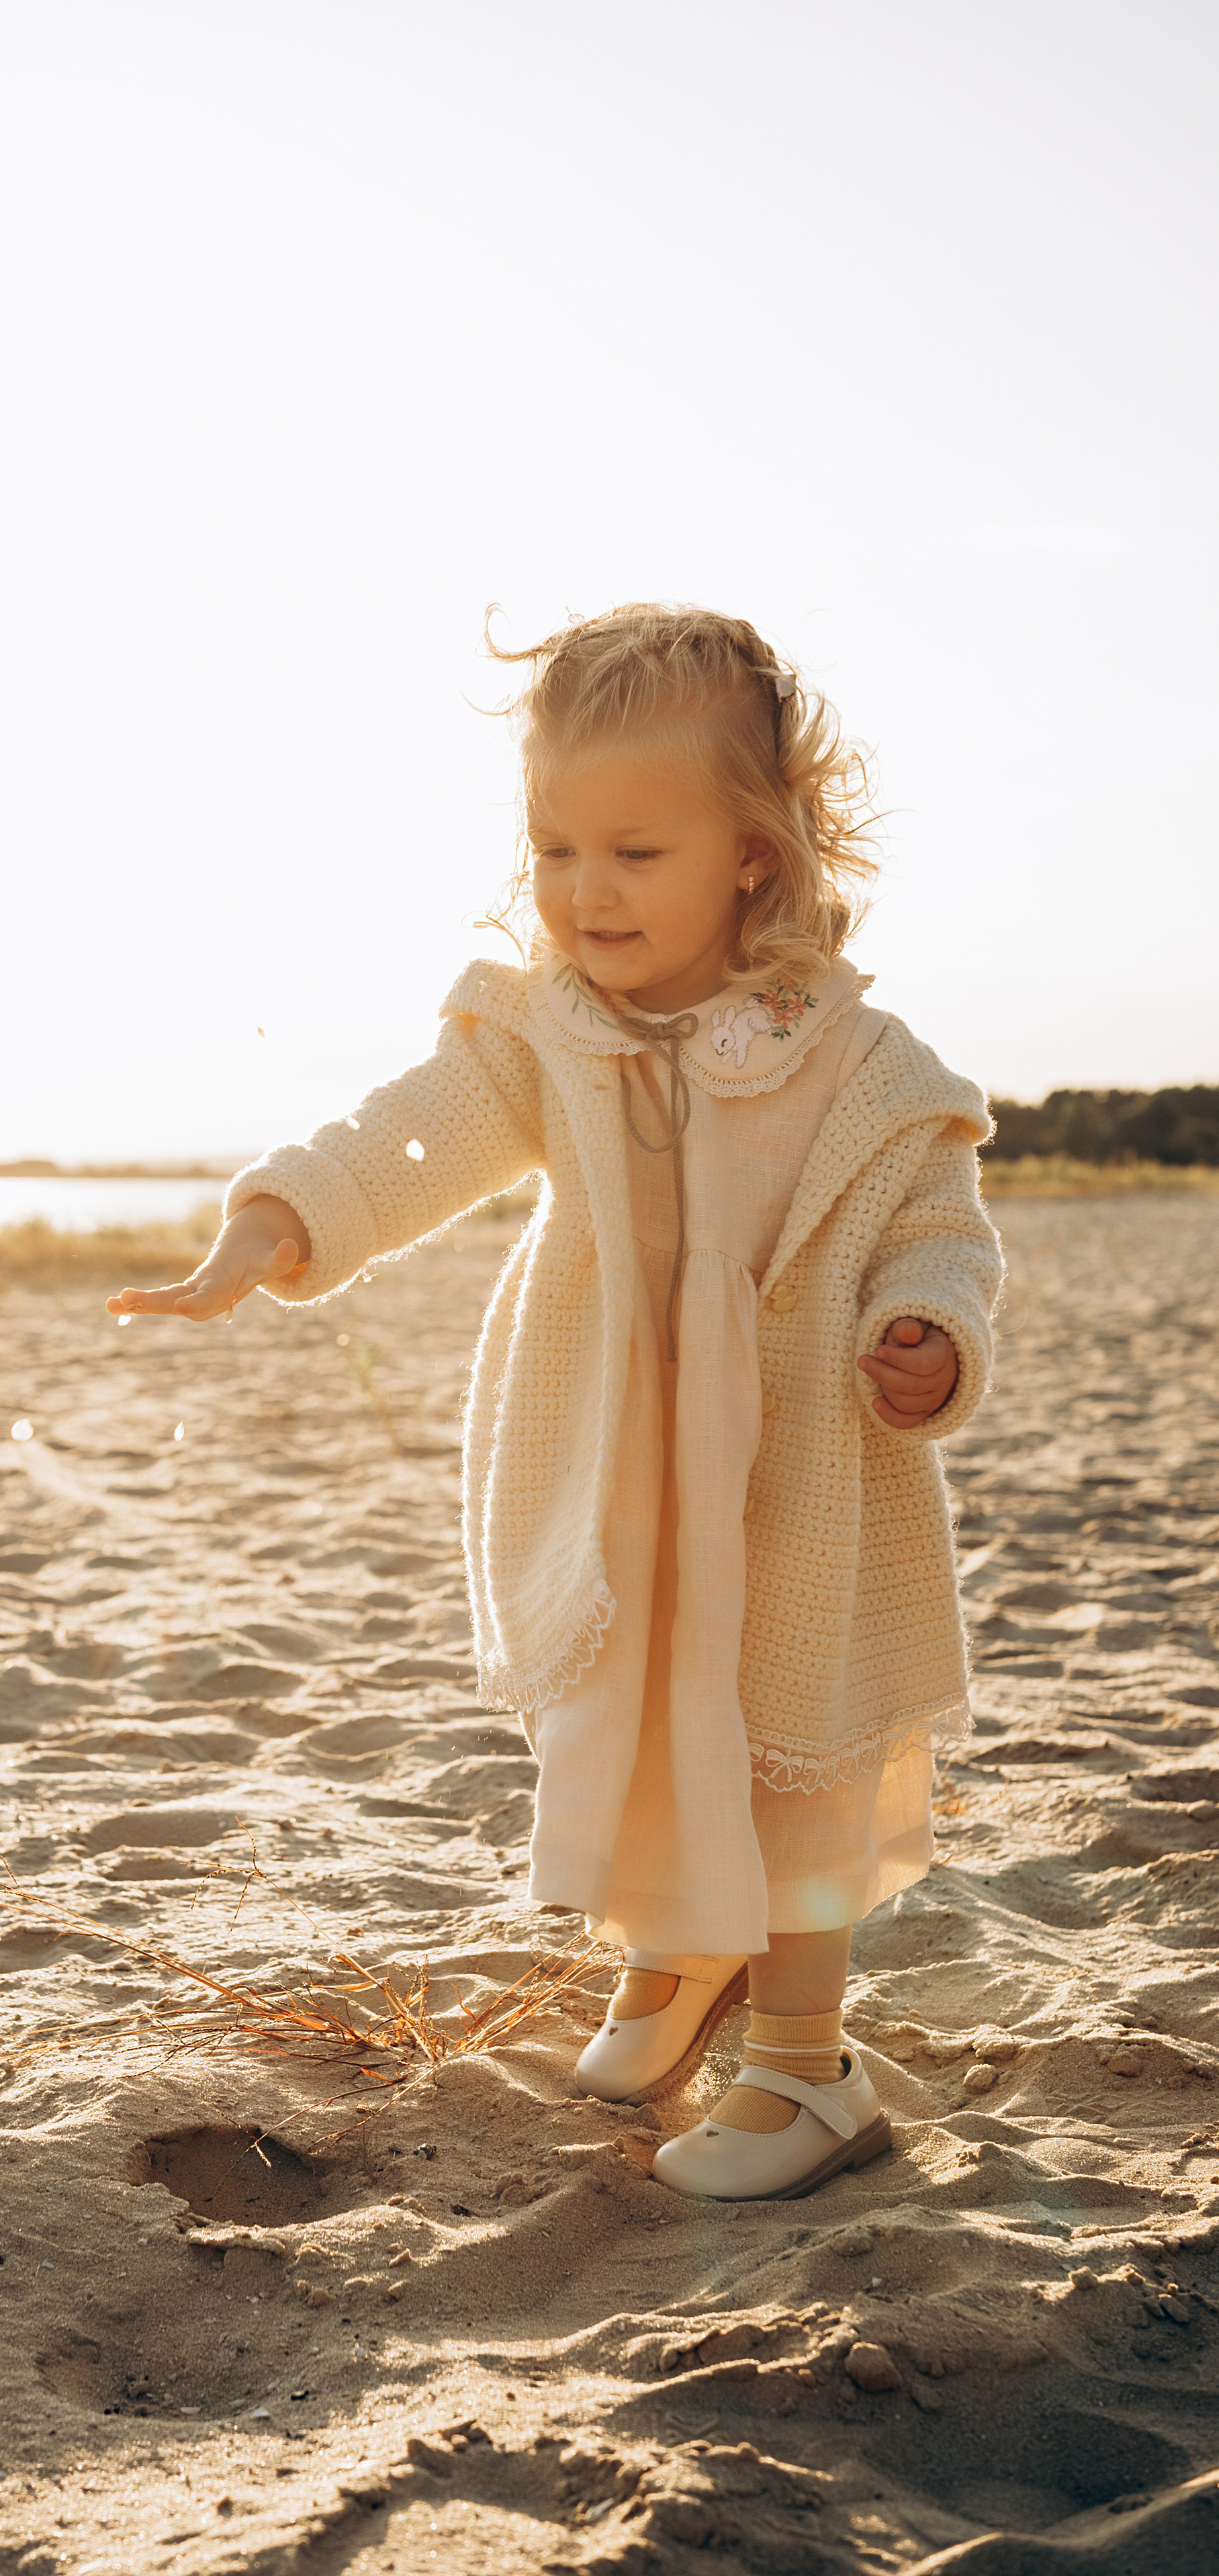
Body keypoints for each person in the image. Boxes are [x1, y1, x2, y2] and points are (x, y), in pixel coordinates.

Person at [109, 603, 1002, 2202]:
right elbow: (412, 1134)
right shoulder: (547, 1031)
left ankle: (807, 2065)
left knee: (789, 1753)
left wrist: (924, 1325)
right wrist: (274, 1224)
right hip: (621, 1471)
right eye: (554, 848)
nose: (584, 892)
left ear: (753, 851)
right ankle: (680, 1952)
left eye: (634, 853)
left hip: (796, 1470)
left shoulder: (857, 1060)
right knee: (648, 1719)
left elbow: (935, 1218)